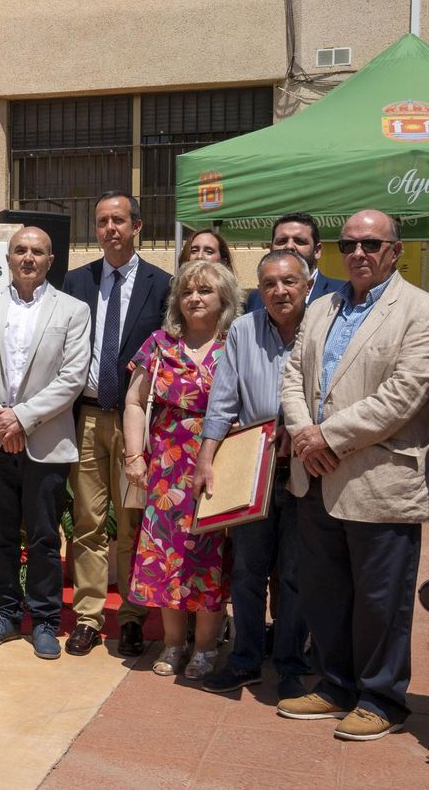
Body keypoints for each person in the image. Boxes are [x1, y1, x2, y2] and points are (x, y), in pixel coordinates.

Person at [278, 208, 429, 741]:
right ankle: (336, 685)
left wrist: (325, 436)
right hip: (316, 475)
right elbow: (292, 376)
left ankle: (383, 697)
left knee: (380, 598)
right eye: (349, 244)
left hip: (378, 476)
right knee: (324, 591)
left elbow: (403, 396)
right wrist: (306, 433)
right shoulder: (321, 306)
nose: (358, 254)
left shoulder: (422, 312)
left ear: (395, 250)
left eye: (371, 244)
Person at [0, 227, 90, 660]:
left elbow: (72, 377)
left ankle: (46, 621)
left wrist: (23, 418)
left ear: (51, 260)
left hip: (45, 442)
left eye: (37, 251)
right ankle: (6, 614)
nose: (28, 257)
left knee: (44, 539)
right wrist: (0, 420)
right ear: (8, 257)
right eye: (20, 250)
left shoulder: (73, 310)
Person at [195, 250, 314, 697]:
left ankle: (289, 664)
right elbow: (222, 400)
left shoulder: (322, 326)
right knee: (247, 572)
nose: (279, 291)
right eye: (269, 284)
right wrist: (206, 458)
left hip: (307, 468)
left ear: (305, 284)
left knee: (295, 574)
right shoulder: (243, 331)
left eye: (288, 282)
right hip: (253, 469)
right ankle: (244, 659)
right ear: (258, 289)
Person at [60, 190, 170, 657]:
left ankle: (130, 616)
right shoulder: (75, 281)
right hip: (85, 418)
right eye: (102, 221)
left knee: (131, 524)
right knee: (86, 523)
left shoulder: (160, 284)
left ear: (137, 226)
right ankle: (87, 617)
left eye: (119, 220)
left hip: (135, 424)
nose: (110, 229)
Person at [122, 260, 238, 679]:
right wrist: (135, 455)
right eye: (187, 291)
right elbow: (135, 401)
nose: (194, 298)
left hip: (218, 463)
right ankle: (173, 644)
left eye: (205, 290)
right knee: (165, 556)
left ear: (223, 297)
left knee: (209, 558)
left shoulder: (236, 343)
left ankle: (205, 647)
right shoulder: (158, 344)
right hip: (166, 468)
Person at [246, 212, 347, 312]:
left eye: (300, 241)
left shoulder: (342, 293)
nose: (289, 246)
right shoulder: (256, 298)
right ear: (271, 249)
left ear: (317, 250)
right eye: (282, 241)